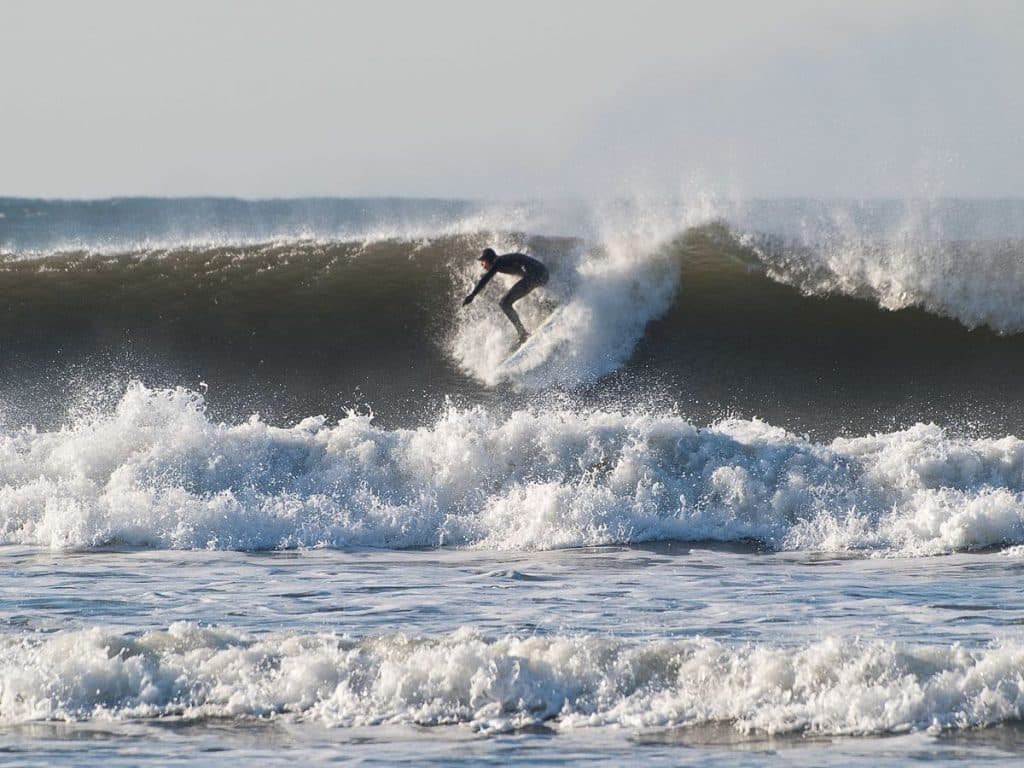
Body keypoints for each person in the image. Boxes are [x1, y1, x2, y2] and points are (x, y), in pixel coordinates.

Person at [462, 248, 549, 344]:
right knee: (515, 295)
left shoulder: (497, 262)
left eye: (482, 262)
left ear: (487, 260)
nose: (482, 266)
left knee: (504, 303)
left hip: (535, 275)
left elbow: (486, 278)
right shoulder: (502, 261)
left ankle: (522, 333)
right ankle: (548, 305)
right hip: (542, 273)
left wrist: (472, 295)